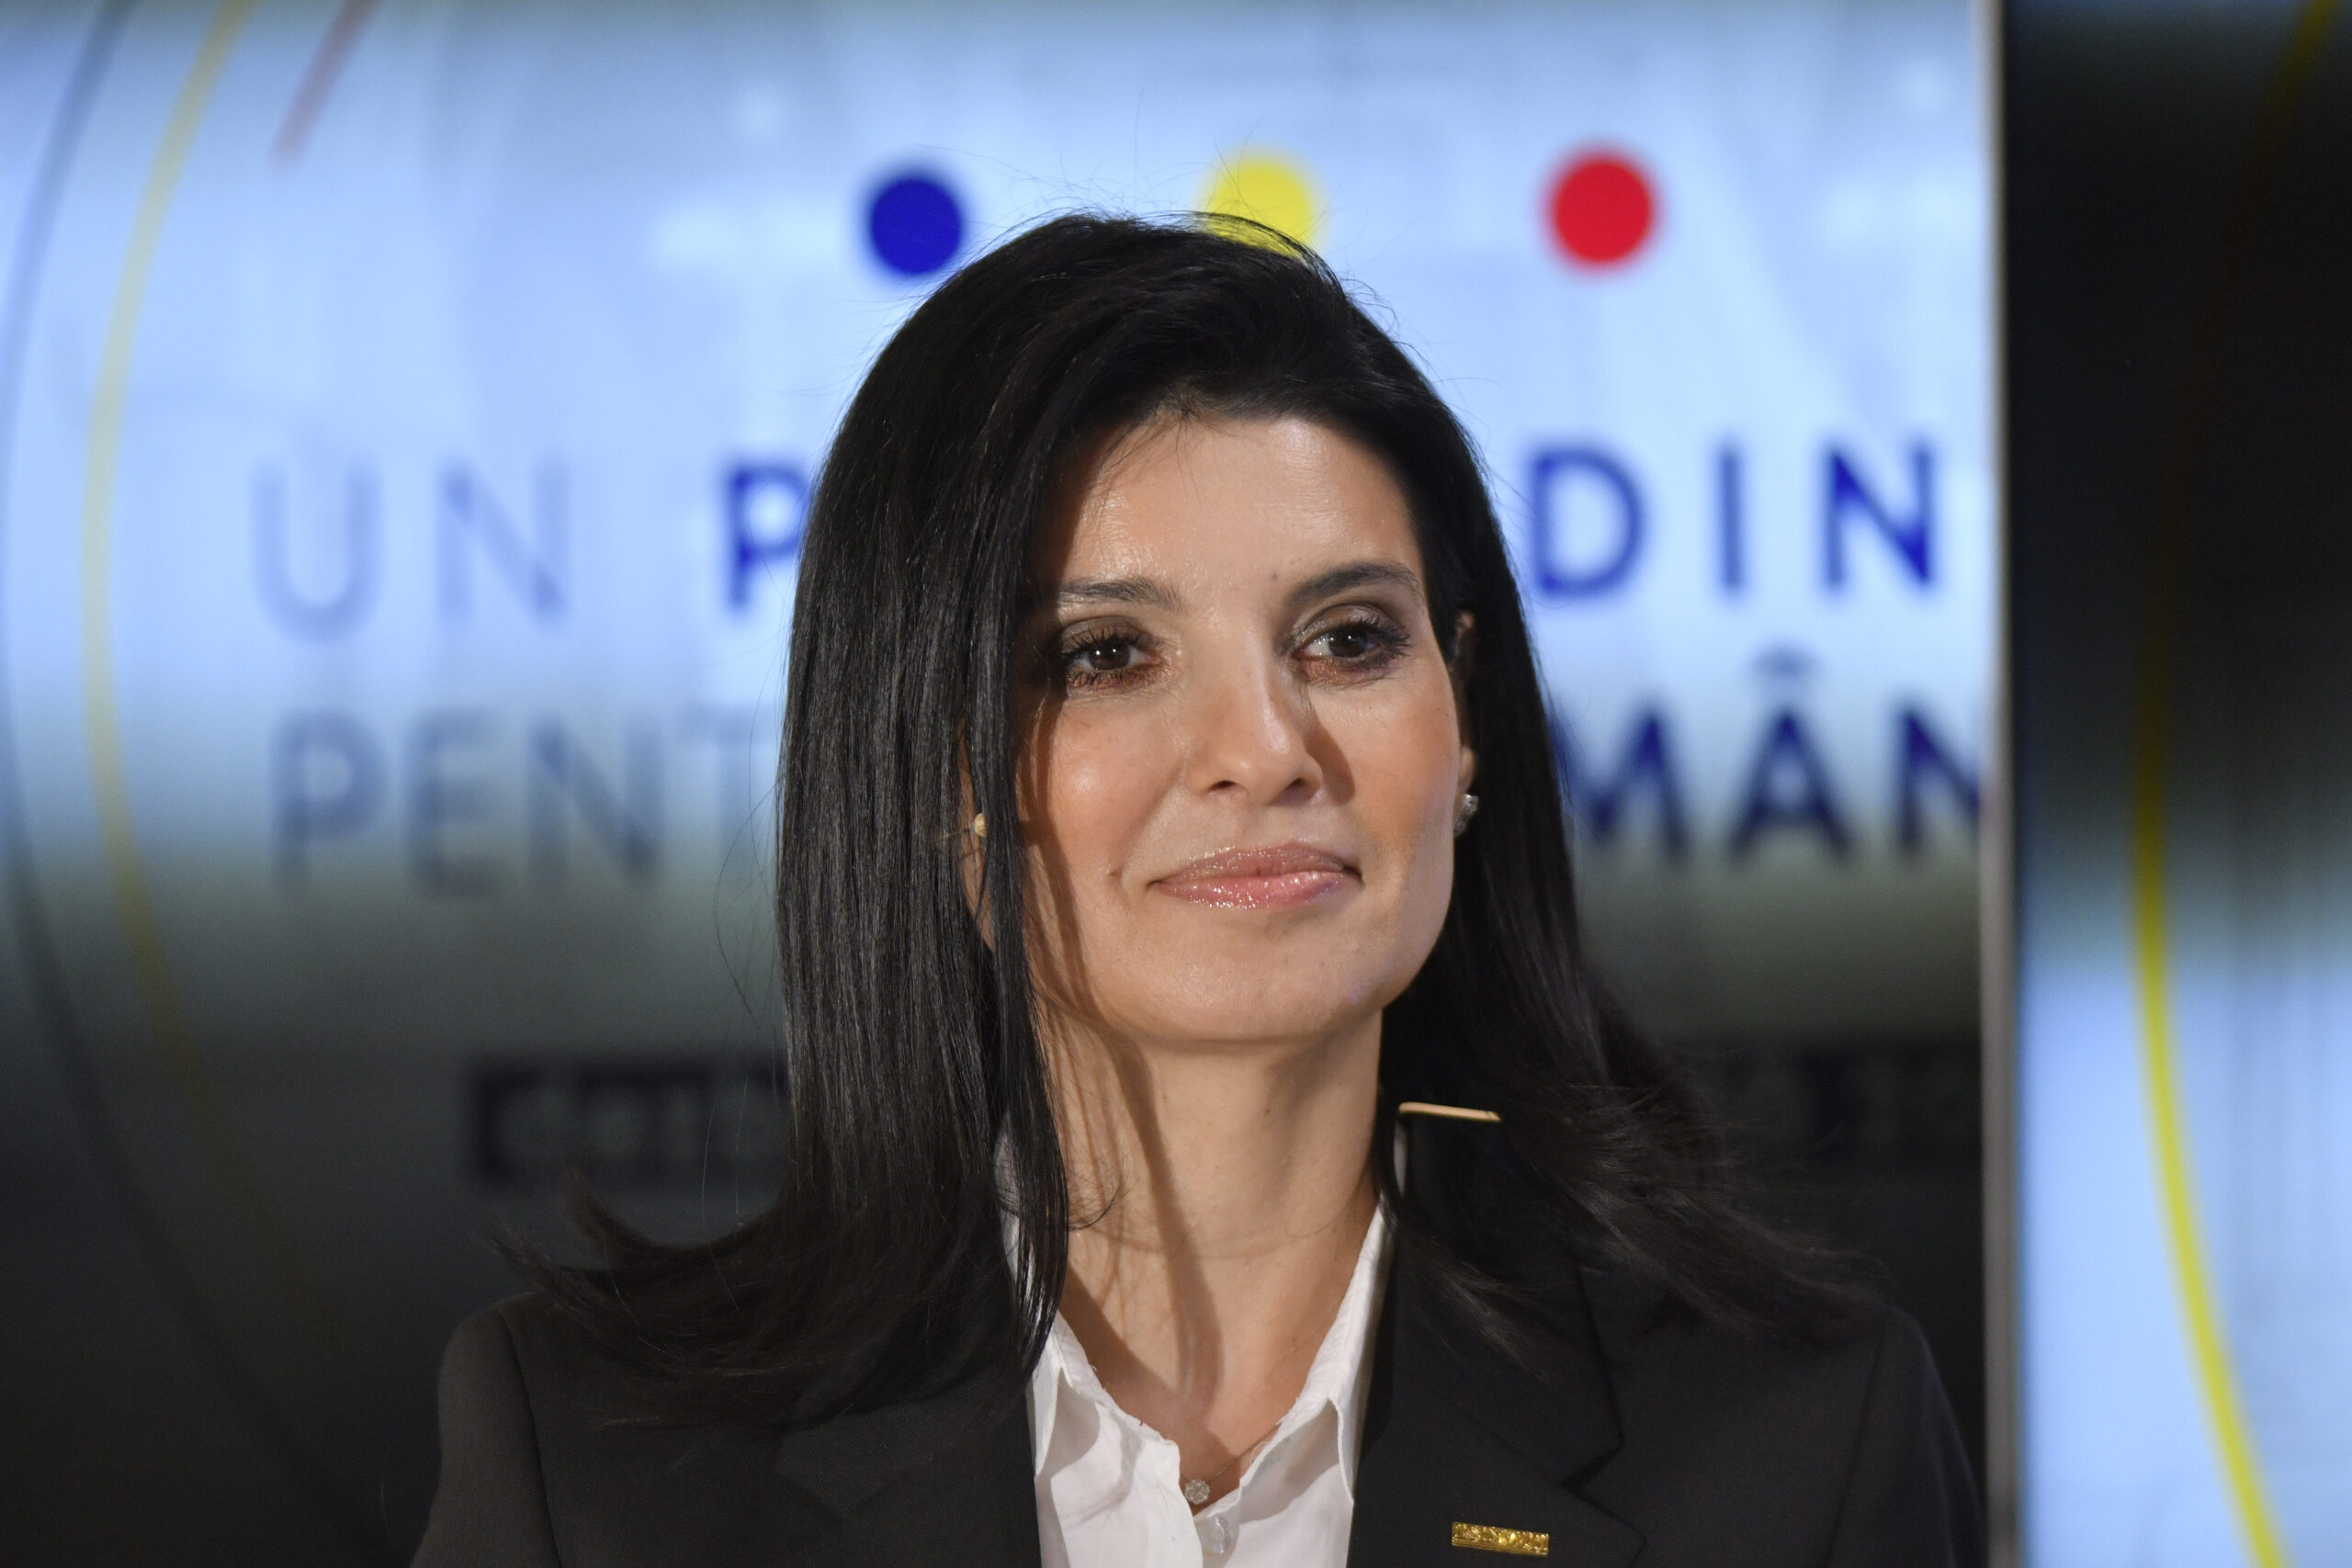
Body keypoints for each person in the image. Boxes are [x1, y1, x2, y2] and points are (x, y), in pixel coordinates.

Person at [412, 214, 1979, 1568]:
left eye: (1348, 639)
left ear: (1466, 718)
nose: (1266, 750)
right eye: (1107, 656)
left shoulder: (1799, 1445)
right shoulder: (596, 1465)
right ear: (936, 771)